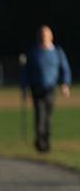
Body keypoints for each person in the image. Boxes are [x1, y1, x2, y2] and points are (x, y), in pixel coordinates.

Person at [21, 25, 72, 153]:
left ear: (51, 36)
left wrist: (65, 84)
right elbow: (26, 72)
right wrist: (24, 88)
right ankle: (40, 143)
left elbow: (65, 69)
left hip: (50, 88)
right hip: (36, 87)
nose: (44, 37)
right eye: (42, 34)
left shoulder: (57, 52)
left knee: (47, 116)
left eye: (46, 34)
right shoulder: (34, 52)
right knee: (40, 114)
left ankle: (47, 141)